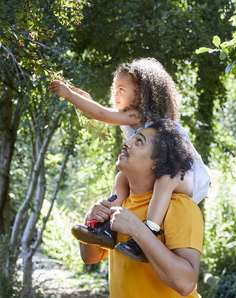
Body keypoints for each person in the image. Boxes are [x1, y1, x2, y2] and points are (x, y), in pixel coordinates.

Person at [48, 58, 210, 262]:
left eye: (122, 89)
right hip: (163, 170)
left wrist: (69, 95)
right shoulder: (136, 120)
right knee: (121, 179)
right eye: (114, 89)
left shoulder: (140, 115)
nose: (115, 94)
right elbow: (100, 112)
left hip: (189, 176)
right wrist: (85, 100)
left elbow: (100, 113)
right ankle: (107, 228)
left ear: (140, 95)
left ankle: (148, 233)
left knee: (165, 180)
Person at [80, 120, 204, 297]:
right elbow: (90, 258)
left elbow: (185, 283)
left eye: (139, 141)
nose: (126, 142)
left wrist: (137, 229)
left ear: (157, 162)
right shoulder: (121, 201)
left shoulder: (179, 205)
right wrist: (91, 220)